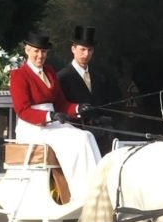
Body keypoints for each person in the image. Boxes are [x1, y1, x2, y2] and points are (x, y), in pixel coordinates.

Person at [9, 30, 101, 203]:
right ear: (27, 50)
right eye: (36, 51)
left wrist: (78, 108)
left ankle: (95, 190)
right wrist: (49, 116)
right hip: (33, 127)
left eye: (43, 51)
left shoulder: (50, 72)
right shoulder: (18, 75)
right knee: (76, 141)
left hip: (52, 122)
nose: (40, 55)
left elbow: (61, 103)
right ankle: (80, 194)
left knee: (86, 136)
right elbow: (22, 110)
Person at [56, 25, 114, 154]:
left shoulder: (99, 77)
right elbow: (61, 106)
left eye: (90, 50)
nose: (86, 54)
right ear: (73, 49)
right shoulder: (62, 77)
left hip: (102, 131)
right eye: (82, 49)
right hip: (76, 132)